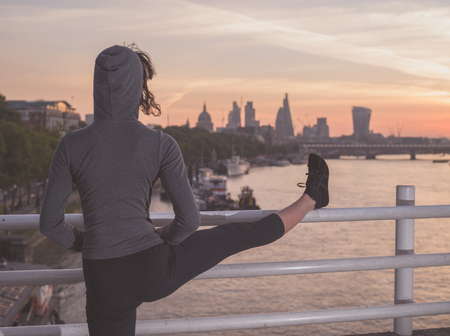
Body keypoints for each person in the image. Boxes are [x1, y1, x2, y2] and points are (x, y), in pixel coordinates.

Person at [39, 44, 330, 336]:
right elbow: (189, 220)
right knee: (237, 234)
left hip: (101, 275)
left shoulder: (71, 144)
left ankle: (313, 195)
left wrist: (86, 241)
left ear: (96, 86)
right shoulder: (160, 143)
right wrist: (164, 236)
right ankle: (312, 196)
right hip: (153, 267)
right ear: (137, 87)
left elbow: (50, 224)